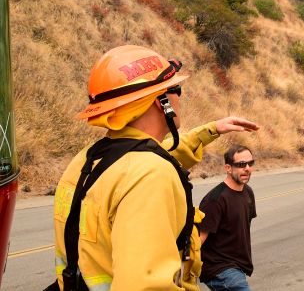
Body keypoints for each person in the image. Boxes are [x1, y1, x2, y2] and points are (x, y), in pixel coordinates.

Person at [50, 45, 259, 291]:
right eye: (176, 90)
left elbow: (156, 154)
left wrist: (212, 129)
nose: (180, 98)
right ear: (162, 103)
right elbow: (146, 285)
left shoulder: (87, 160)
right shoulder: (151, 174)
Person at [198, 145, 257, 291]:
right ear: (228, 168)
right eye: (241, 165)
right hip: (219, 269)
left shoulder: (248, 192)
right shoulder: (215, 200)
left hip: (237, 266)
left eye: (250, 163)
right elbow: (197, 240)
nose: (247, 168)